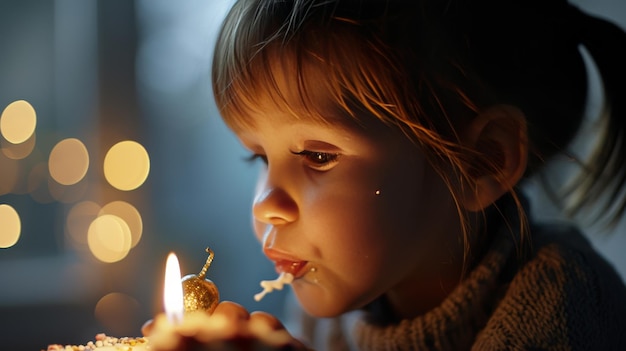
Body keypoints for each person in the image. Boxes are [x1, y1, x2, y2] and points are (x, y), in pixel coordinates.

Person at [145, 0, 626, 349]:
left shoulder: (561, 299)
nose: (265, 203)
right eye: (259, 158)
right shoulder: (334, 313)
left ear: (481, 161)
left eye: (317, 156)